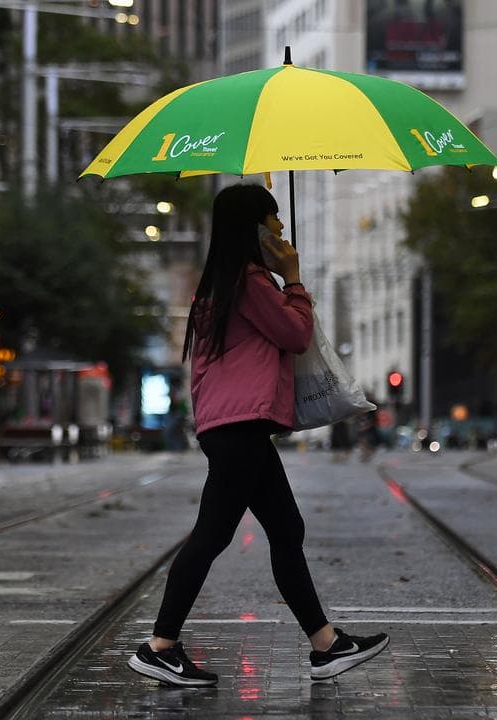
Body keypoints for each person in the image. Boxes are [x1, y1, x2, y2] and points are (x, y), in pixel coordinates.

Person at [127, 185, 389, 688]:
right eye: (275, 220)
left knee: (286, 531)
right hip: (240, 426)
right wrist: (292, 278)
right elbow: (295, 335)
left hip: (238, 427)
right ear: (255, 229)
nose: (283, 230)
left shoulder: (229, 282)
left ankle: (326, 645)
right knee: (212, 534)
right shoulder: (249, 282)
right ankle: (160, 646)